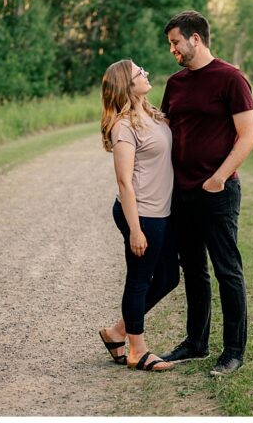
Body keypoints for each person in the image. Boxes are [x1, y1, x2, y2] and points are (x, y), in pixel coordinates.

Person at [159, 11, 253, 378]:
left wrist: (217, 178)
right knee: (195, 272)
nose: (173, 50)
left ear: (195, 39)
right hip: (181, 193)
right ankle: (196, 343)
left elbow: (248, 135)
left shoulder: (231, 79)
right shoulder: (175, 83)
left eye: (175, 43)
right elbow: (166, 128)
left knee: (227, 270)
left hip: (217, 192)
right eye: (171, 44)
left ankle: (233, 351)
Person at [99, 59, 180, 372]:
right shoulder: (123, 127)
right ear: (126, 85)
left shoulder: (151, 113)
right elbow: (124, 182)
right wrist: (135, 229)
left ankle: (118, 332)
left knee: (168, 278)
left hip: (161, 213)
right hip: (142, 214)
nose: (146, 72)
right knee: (139, 280)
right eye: (138, 72)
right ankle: (136, 350)